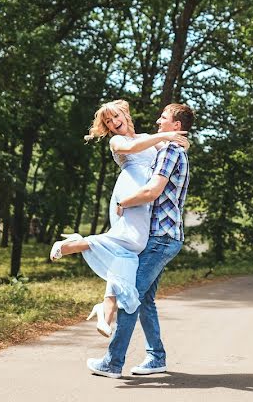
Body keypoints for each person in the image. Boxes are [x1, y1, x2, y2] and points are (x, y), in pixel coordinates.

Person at [49, 100, 188, 338]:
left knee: (129, 253)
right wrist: (166, 137)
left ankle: (106, 309)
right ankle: (71, 244)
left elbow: (170, 154)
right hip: (128, 194)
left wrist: (178, 140)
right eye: (108, 122)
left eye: (115, 117)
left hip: (142, 201)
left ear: (125, 113)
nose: (114, 123)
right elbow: (134, 149)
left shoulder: (146, 137)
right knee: (129, 243)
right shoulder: (117, 141)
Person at [86, 102, 194, 379]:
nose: (159, 121)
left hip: (160, 236)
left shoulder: (168, 149)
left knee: (129, 296)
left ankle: (112, 362)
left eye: (164, 118)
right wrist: (171, 139)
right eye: (108, 121)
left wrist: (125, 201)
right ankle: (156, 357)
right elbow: (137, 150)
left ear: (176, 125)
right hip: (155, 234)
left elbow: (152, 191)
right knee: (144, 299)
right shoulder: (157, 144)